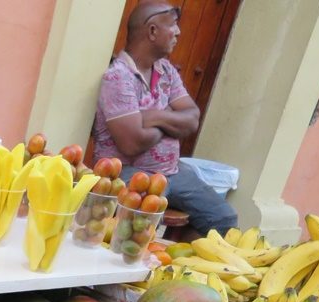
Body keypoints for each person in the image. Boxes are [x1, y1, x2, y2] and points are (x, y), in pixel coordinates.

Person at [92, 2, 237, 236]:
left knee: (223, 218)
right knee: (139, 227)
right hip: (130, 171)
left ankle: (182, 267)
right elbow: (132, 143)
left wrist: (154, 117)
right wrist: (172, 121)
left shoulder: (166, 70)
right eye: (173, 26)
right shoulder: (118, 77)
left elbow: (192, 120)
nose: (179, 32)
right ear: (152, 31)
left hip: (173, 170)